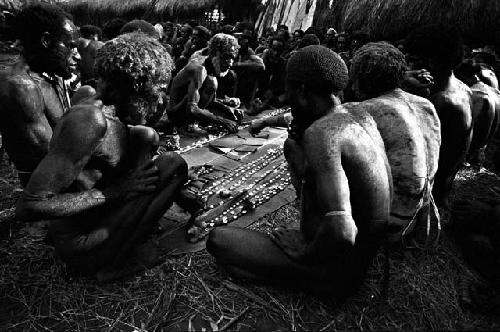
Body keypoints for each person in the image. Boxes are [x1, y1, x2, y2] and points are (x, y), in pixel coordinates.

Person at [206, 46, 392, 297]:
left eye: (289, 92)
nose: (287, 100)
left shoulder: (323, 133)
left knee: (219, 240)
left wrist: (305, 251)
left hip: (338, 269)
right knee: (292, 145)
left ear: (302, 91)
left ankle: (313, 278)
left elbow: (343, 232)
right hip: (361, 260)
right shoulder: (360, 113)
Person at [16, 33, 188, 281]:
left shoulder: (105, 110)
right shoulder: (90, 121)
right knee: (174, 165)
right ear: (139, 85)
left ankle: (122, 239)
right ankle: (109, 265)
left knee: (145, 136)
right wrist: (114, 192)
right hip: (83, 245)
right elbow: (29, 205)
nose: (160, 97)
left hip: (93, 223)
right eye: (158, 89)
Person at [348, 42, 441, 242]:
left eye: (354, 79)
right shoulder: (426, 104)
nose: (352, 86)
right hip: (418, 216)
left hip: (388, 224)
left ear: (364, 79)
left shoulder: (364, 111)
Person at [0, 4, 81, 187]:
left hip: (72, 175)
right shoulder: (21, 87)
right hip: (50, 189)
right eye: (71, 47)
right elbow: (54, 159)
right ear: (46, 40)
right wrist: (115, 188)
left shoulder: (52, 74)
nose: (78, 56)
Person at [405, 25, 473, 207]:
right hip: (443, 186)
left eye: (413, 61)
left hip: (428, 194)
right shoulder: (463, 89)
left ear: (432, 62)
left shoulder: (440, 102)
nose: (409, 66)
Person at [168, 33, 240, 134]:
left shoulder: (208, 65)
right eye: (227, 57)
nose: (230, 63)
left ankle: (192, 123)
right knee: (212, 82)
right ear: (216, 53)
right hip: (174, 113)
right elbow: (192, 108)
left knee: (212, 82)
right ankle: (187, 125)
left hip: (185, 105)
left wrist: (226, 108)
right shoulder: (199, 69)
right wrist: (222, 121)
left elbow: (207, 100)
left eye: (232, 57)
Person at [455, 60, 500, 168]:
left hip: (466, 158)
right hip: (479, 156)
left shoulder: (475, 95)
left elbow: (467, 129)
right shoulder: (495, 93)